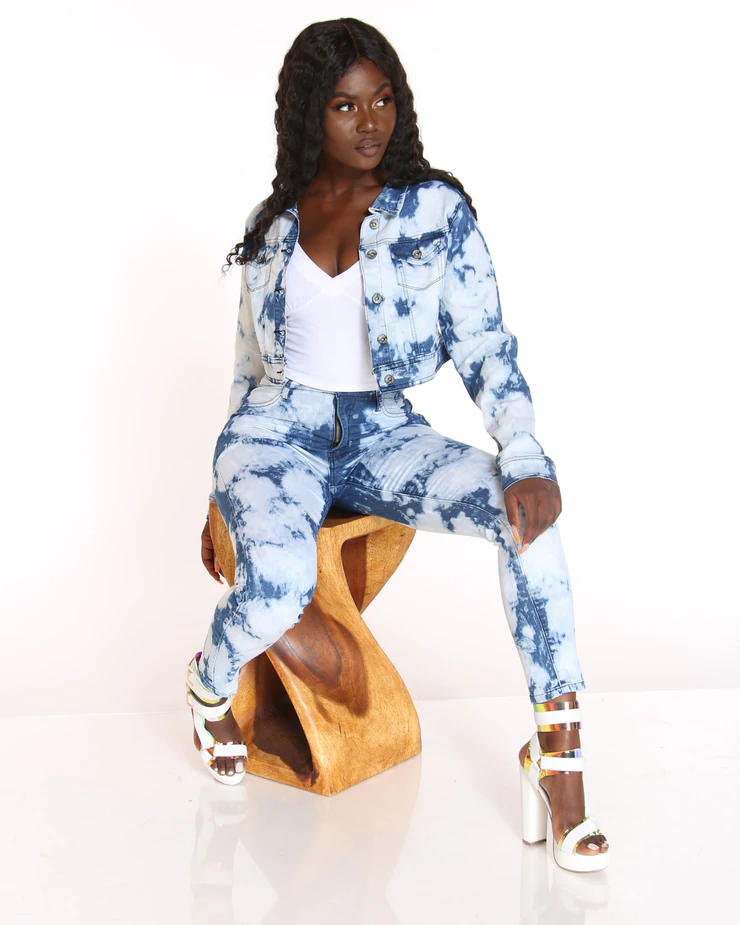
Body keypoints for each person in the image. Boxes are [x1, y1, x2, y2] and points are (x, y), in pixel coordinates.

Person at [184, 17, 609, 872]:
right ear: (311, 112)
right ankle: (207, 683)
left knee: (527, 522)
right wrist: (223, 496)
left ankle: (558, 759)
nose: (370, 121)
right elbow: (246, 366)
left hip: (383, 434)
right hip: (275, 433)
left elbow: (484, 344)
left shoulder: (436, 211)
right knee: (276, 589)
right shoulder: (272, 224)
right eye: (345, 105)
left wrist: (524, 455)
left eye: (382, 100)